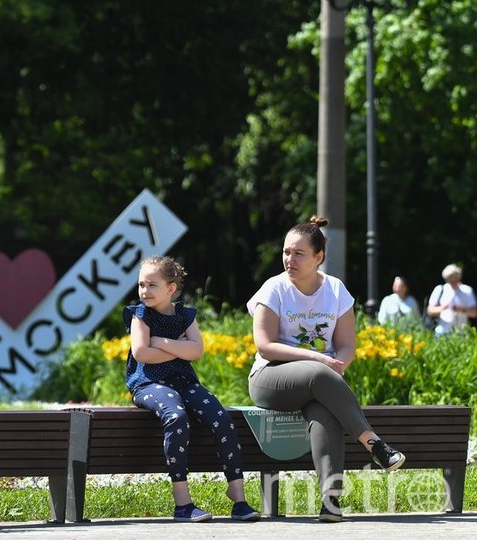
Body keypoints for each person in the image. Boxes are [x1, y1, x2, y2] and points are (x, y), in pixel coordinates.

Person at [246, 216, 405, 523]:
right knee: (320, 375)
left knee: (324, 413)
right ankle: (374, 444)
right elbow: (264, 345)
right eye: (286, 252)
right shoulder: (273, 289)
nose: (289, 259)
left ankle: (331, 503)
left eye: (298, 253)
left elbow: (346, 345)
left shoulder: (335, 290)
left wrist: (338, 364)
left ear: (318, 257)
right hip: (271, 377)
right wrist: (319, 360)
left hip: (320, 381)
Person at [124, 256, 260, 523]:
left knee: (220, 417)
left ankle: (238, 495)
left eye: (152, 285)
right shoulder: (139, 315)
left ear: (170, 289)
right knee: (176, 416)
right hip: (148, 383)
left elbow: (196, 351)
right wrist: (178, 349)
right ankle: (183, 503)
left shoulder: (184, 315)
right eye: (141, 285)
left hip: (184, 382)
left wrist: (160, 342)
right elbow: (141, 354)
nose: (144, 291)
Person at [425, 264, 477, 336]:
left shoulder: (467, 290)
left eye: (455, 278)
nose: (453, 281)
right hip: (442, 332)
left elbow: (474, 313)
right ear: (446, 279)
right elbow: (430, 311)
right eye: (450, 279)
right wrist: (442, 308)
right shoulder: (440, 289)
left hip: (461, 333)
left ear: (459, 277)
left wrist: (462, 310)